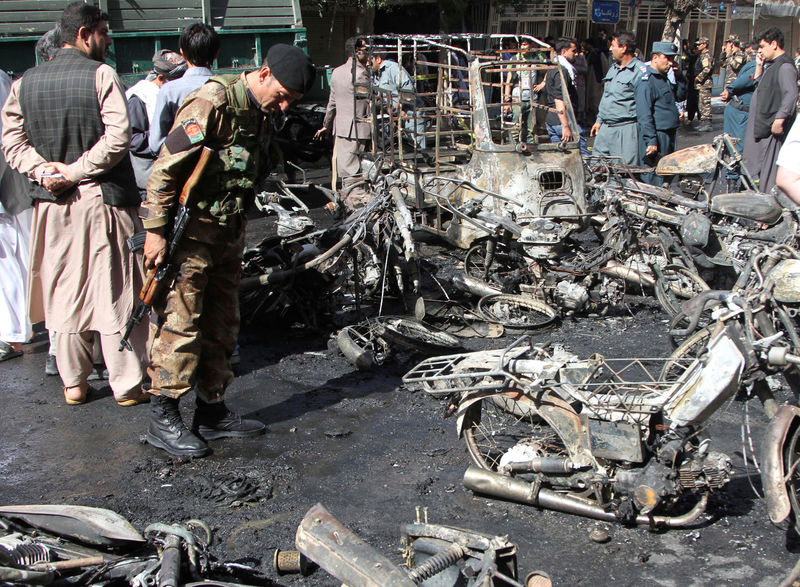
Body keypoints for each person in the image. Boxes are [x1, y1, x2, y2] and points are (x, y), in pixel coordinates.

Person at [141, 44, 315, 458]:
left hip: (228, 234)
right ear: (264, 72)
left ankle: (212, 410)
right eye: (284, 93)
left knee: (223, 323)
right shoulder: (212, 102)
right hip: (191, 236)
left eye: (294, 99)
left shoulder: (262, 113)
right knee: (181, 323)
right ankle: (162, 416)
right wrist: (154, 232)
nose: (285, 103)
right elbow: (165, 170)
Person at [1, 1, 148, 405]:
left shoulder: (24, 82)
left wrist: (43, 170)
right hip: (101, 202)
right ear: (83, 34)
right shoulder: (102, 74)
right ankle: (127, 385)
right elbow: (118, 138)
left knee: (64, 293)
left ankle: (74, 384)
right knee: (115, 289)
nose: (108, 39)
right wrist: (74, 170)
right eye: (104, 31)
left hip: (50, 205)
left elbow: (11, 142)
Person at [314, 37, 371, 209]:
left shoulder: (337, 72)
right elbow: (370, 100)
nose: (367, 53)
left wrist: (327, 124)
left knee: (346, 168)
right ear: (356, 51)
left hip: (342, 127)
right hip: (357, 128)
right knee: (354, 171)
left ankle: (348, 204)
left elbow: (332, 102)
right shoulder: (360, 73)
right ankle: (356, 207)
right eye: (364, 50)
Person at [0, 68, 33, 362]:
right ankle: (25, 325)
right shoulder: (1, 77)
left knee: (6, 262)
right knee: (20, 256)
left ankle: (12, 335)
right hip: (16, 179)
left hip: (8, 185)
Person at [148, 22, 219, 155]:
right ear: (216, 53)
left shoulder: (169, 91)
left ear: (182, 53)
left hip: (181, 170)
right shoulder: (227, 88)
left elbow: (155, 144)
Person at [743, 26, 798, 194]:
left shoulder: (785, 66)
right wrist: (759, 67)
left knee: (770, 175)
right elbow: (762, 88)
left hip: (771, 129)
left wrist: (779, 120)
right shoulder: (772, 66)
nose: (760, 51)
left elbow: (791, 94)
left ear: (774, 44)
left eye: (762, 46)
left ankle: (770, 216)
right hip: (763, 126)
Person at [126, 50, 186, 198]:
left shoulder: (170, 96)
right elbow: (133, 140)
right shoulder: (140, 99)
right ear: (161, 78)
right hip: (149, 182)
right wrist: (165, 135)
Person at [590, 30, 647, 166]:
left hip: (625, 129)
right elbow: (607, 95)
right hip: (605, 127)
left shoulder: (640, 72)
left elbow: (645, 105)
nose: (610, 49)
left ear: (624, 48)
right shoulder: (613, 68)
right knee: (597, 168)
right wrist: (599, 120)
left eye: (613, 45)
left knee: (623, 172)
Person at [635, 42, 687, 186]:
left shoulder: (664, 78)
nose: (671, 63)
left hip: (669, 133)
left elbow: (680, 96)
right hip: (657, 135)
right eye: (667, 58)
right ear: (656, 57)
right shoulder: (647, 81)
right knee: (654, 175)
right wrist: (651, 140)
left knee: (667, 173)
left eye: (672, 59)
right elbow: (644, 115)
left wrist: (679, 76)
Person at [720, 44, 757, 190]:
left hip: (744, 112)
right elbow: (748, 79)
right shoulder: (757, 66)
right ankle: (733, 185)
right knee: (737, 149)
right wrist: (729, 89)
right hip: (740, 113)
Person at [543, 37, 588, 155]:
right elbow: (559, 99)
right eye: (573, 51)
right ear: (563, 52)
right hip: (561, 121)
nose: (576, 54)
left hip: (552, 121)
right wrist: (566, 126)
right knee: (582, 156)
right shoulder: (562, 71)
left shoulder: (553, 68)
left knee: (561, 158)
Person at [372, 51, 425, 149]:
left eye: (370, 61)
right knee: (404, 152)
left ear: (378, 59)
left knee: (417, 151)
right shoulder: (378, 74)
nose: (368, 64)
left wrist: (399, 108)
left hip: (410, 115)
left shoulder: (392, 68)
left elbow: (408, 89)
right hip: (397, 117)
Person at [504, 38, 545, 144]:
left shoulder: (536, 58)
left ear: (531, 46)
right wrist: (507, 101)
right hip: (517, 97)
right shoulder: (514, 59)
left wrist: (543, 83)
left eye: (525, 44)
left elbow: (550, 68)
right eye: (522, 45)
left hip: (532, 98)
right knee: (515, 126)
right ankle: (513, 147)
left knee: (531, 129)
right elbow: (508, 81)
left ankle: (530, 150)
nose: (523, 47)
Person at [692, 37, 714, 132]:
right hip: (701, 84)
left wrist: (698, 78)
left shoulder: (706, 55)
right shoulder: (701, 55)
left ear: (705, 45)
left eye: (699, 44)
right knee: (701, 103)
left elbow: (707, 69)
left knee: (705, 103)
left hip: (705, 83)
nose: (697, 46)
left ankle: (707, 123)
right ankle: (702, 122)